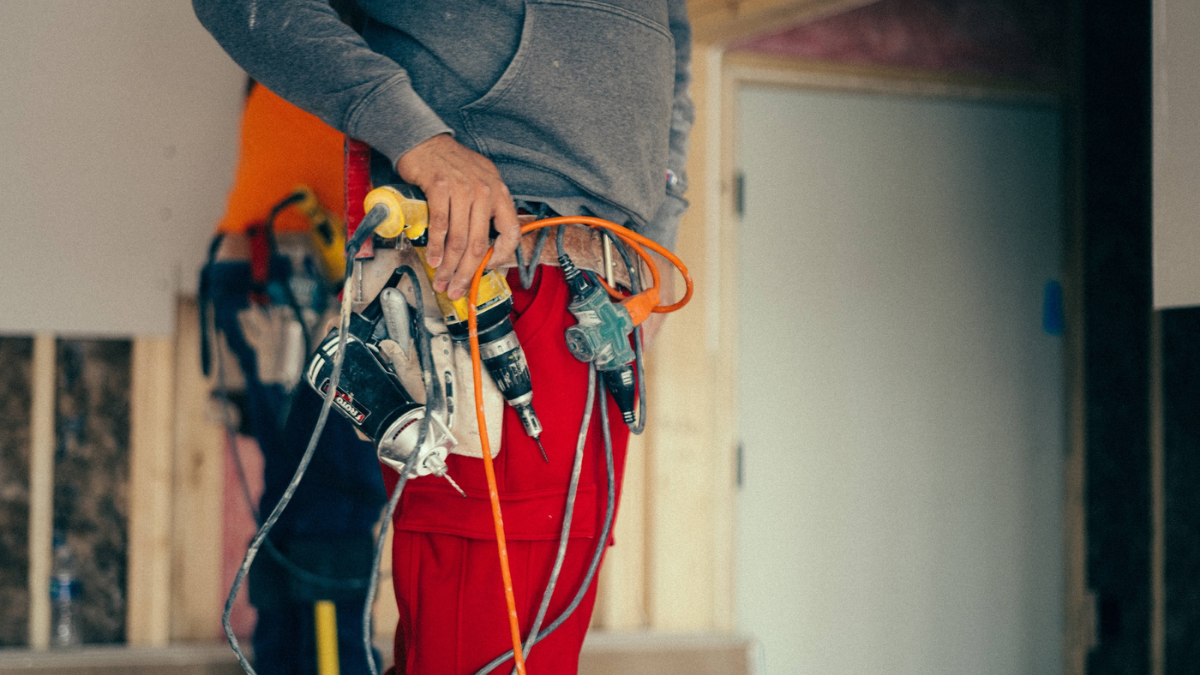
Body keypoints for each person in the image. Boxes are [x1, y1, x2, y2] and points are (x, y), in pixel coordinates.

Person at [193, 1, 694, 673]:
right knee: (390, 574)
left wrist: (656, 234)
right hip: (482, 273)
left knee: (530, 641)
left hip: (597, 302)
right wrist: (418, 139)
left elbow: (674, 51)